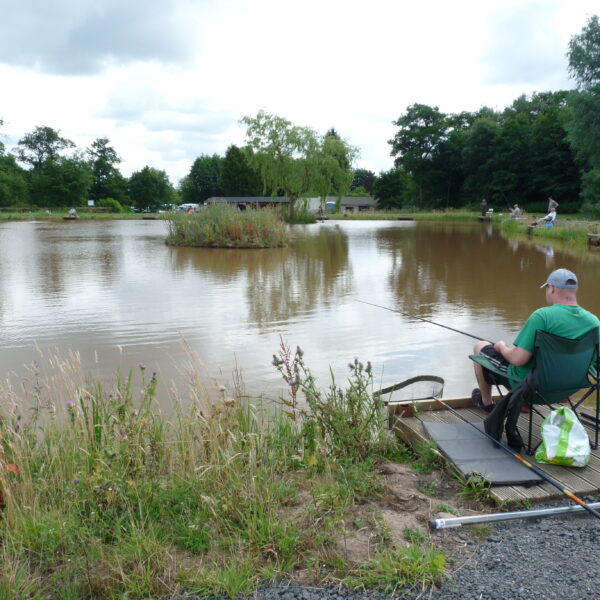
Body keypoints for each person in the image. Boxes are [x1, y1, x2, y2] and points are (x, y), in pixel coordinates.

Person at [470, 268, 600, 413]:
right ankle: (522, 403)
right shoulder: (594, 323)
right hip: (568, 390)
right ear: (575, 290)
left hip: (532, 389)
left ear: (551, 289)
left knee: (480, 346)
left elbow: (518, 360)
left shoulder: (542, 316)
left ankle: (486, 403)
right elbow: (594, 362)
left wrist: (501, 347)